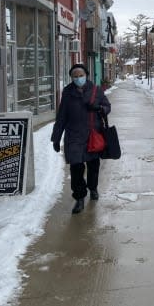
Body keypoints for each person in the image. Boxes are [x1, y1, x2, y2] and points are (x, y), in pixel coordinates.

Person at [51, 64, 111, 214]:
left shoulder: (96, 90)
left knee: (93, 166)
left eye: (81, 75)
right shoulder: (67, 92)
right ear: (71, 78)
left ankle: (93, 187)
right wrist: (56, 138)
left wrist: (99, 109)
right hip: (73, 136)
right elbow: (62, 116)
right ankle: (79, 198)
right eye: (75, 76)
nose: (78, 78)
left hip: (93, 135)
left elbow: (107, 106)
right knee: (76, 169)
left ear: (87, 75)